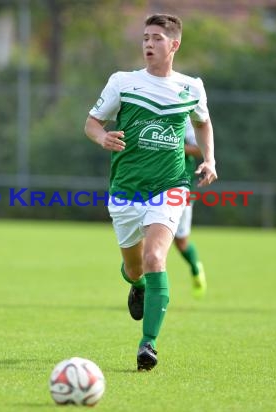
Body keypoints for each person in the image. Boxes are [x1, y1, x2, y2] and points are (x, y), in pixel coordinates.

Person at [84, 13, 217, 371]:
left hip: (170, 187)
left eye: (157, 38)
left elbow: (203, 124)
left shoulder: (191, 87)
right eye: (145, 37)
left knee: (157, 258)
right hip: (126, 189)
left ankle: (148, 345)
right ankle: (135, 284)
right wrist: (102, 137)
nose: (148, 43)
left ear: (174, 45)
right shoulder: (123, 82)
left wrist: (210, 160)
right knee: (135, 267)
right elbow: (92, 123)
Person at [174, 119, 207, 298]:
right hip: (150, 186)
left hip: (181, 187)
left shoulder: (184, 116)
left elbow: (199, 148)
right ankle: (148, 291)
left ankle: (195, 268)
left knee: (181, 243)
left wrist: (171, 147)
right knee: (148, 239)